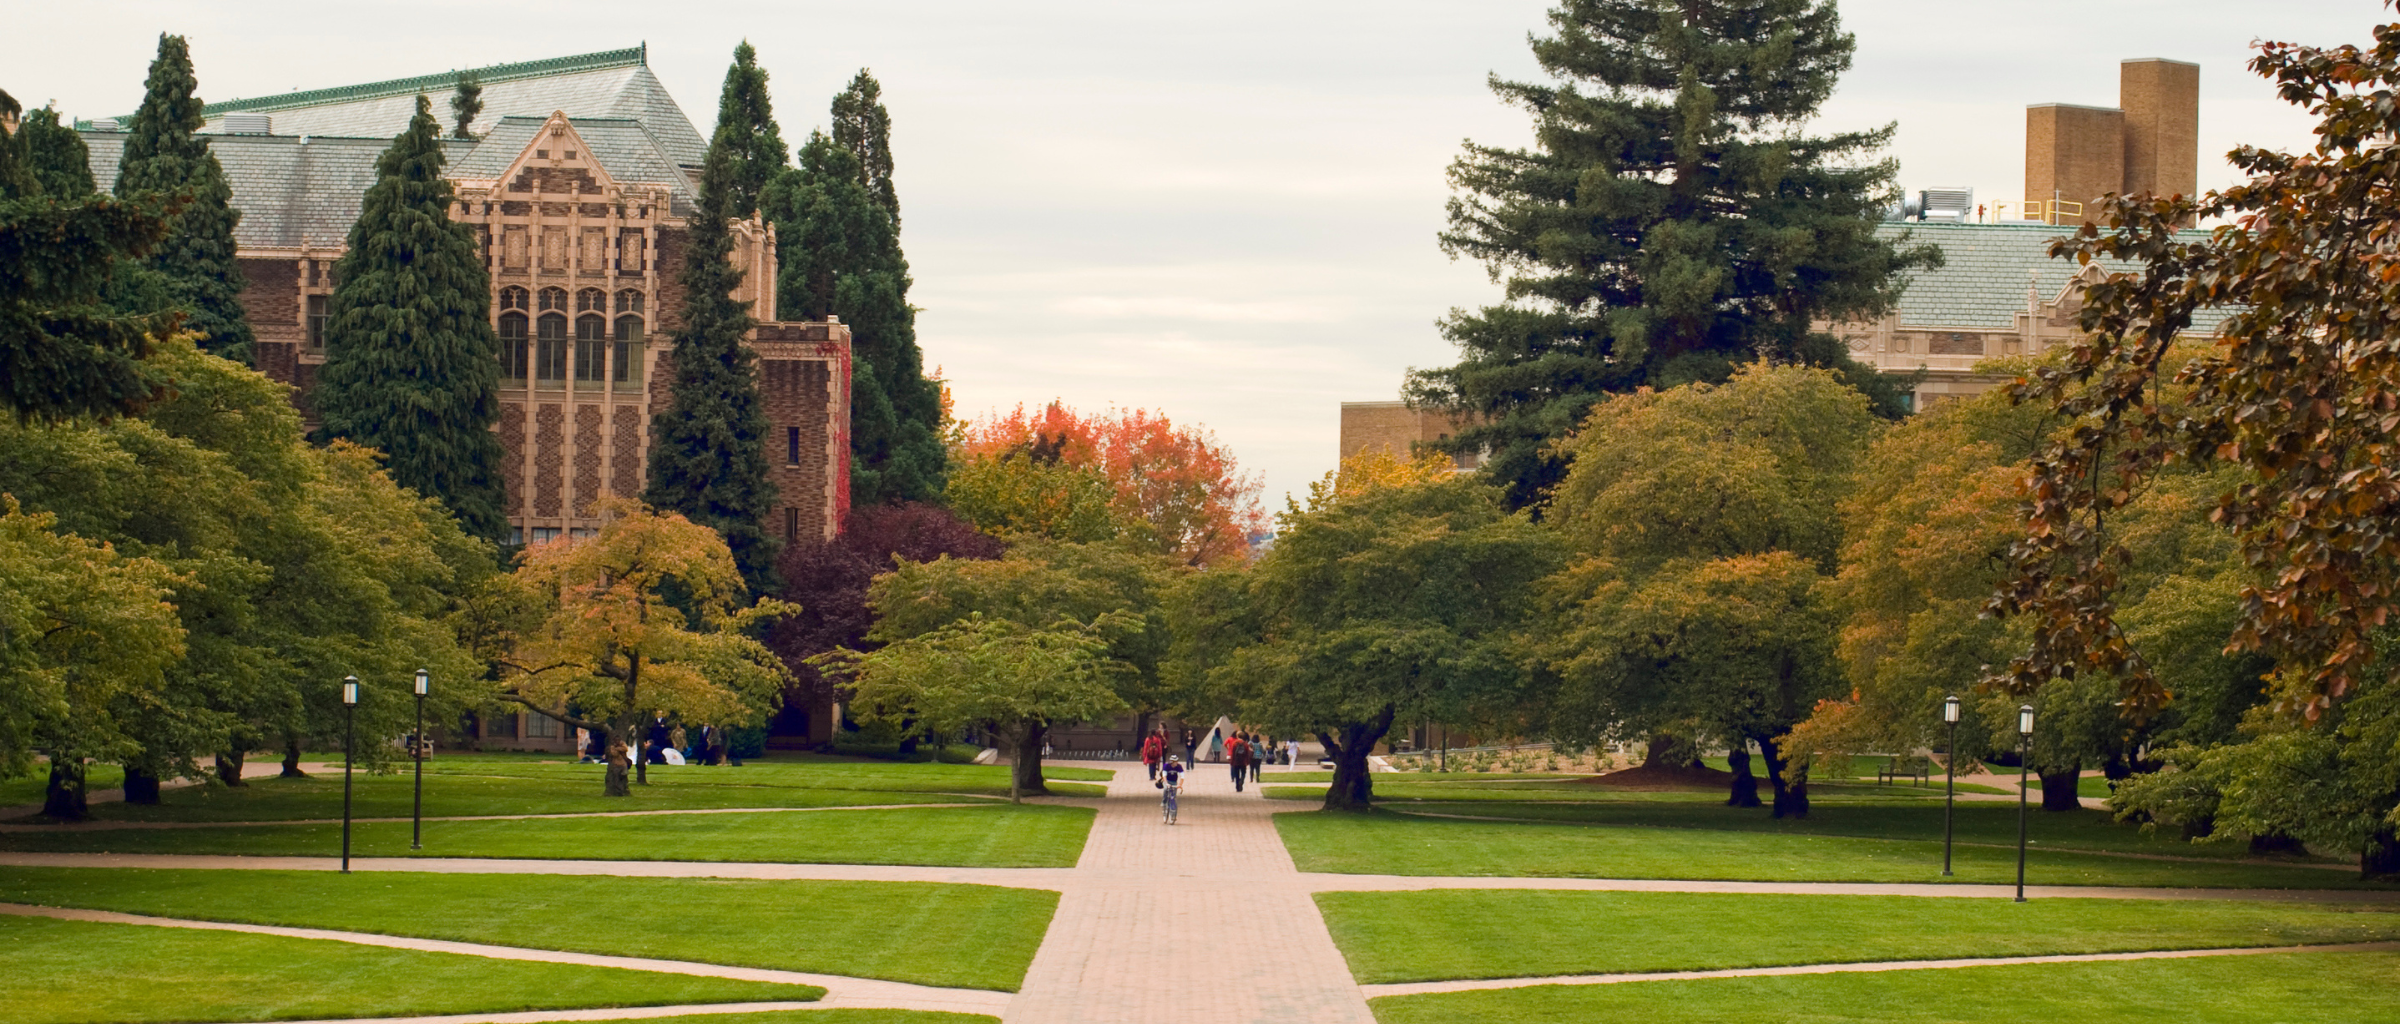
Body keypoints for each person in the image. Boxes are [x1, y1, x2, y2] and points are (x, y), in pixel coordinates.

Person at [1159, 755, 1186, 824]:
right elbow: (1164, 775)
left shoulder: (1179, 766)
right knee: (1165, 789)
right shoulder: (1166, 766)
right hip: (1167, 781)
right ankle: (1164, 803)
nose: (1176, 763)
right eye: (1174, 762)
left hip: (1174, 782)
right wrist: (1166, 783)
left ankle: (1173, 815)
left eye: (1176, 761)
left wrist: (1180, 785)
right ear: (1171, 762)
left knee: (1173, 797)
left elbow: (1182, 776)